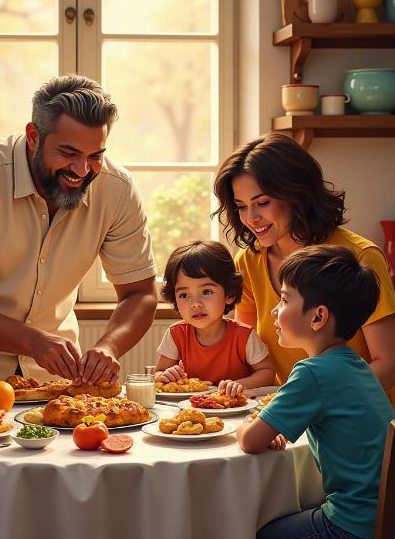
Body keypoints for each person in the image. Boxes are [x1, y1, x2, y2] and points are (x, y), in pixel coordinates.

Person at [0, 74, 157, 390]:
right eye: (69, 153)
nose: (82, 170)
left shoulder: (118, 190)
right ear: (33, 135)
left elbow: (139, 293)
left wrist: (109, 346)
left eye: (95, 155)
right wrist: (31, 340)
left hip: (50, 381)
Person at [213, 133, 395, 403]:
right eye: (241, 207)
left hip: (356, 419)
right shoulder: (249, 261)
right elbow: (248, 357)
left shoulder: (360, 257)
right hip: (289, 416)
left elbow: (389, 364)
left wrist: (313, 403)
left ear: (297, 194)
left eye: (263, 203)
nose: (251, 218)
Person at [238, 245, 394, 539]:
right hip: (383, 518)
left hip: (351, 524)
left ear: (318, 317)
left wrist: (250, 421)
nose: (273, 309)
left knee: (257, 531)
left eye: (284, 300)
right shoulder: (355, 364)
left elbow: (250, 440)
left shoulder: (312, 372)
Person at [155, 240, 276, 395]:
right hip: (192, 409)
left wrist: (239, 384)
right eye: (184, 295)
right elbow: (158, 374)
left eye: (206, 292)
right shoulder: (176, 334)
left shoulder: (244, 336)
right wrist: (164, 376)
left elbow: (267, 372)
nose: (195, 304)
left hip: (236, 409)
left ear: (229, 294)